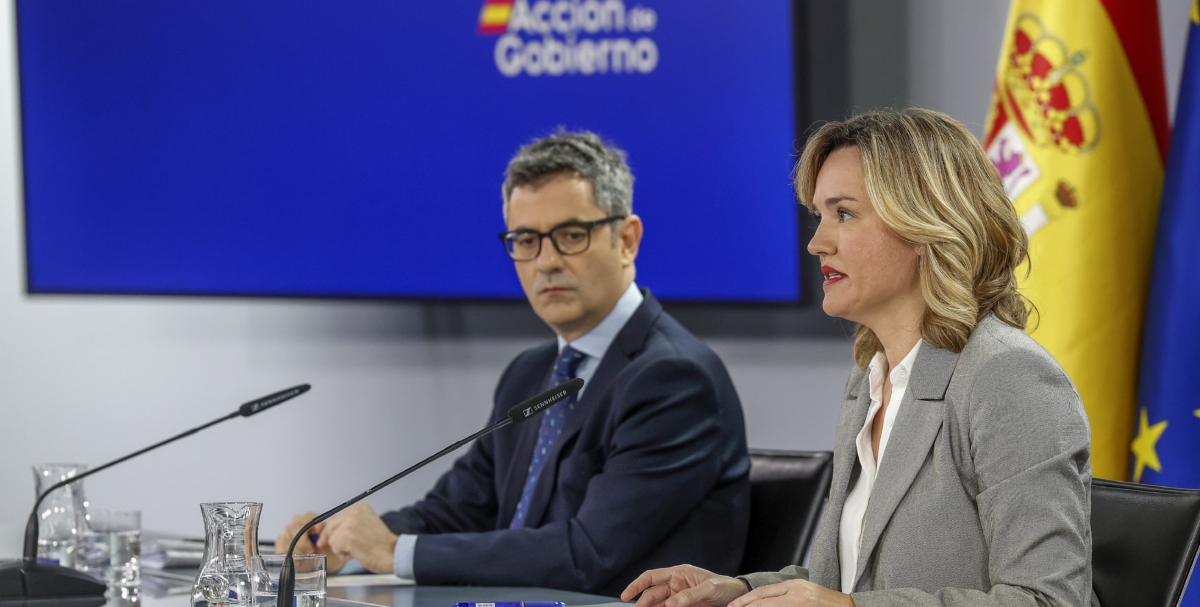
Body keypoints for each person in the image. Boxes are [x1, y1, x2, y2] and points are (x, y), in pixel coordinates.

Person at [622, 108, 1092, 606]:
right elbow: (857, 577)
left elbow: (1049, 600)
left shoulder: (1007, 377)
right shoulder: (872, 377)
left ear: (926, 222)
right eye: (819, 216)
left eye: (843, 214)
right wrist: (737, 590)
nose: (816, 243)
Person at [277, 130, 751, 596]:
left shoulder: (673, 378)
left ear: (627, 239)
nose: (545, 262)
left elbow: (587, 554)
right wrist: (346, 544)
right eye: (526, 240)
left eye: (570, 235)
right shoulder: (531, 372)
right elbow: (457, 510)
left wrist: (397, 552)